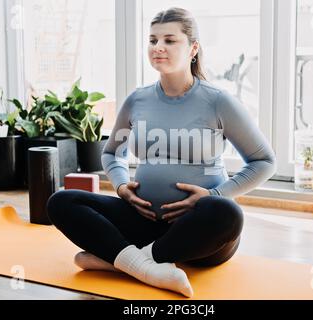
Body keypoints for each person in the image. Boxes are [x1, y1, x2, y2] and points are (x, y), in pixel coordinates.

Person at [47, 7, 276, 298]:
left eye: (170, 40)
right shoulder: (137, 100)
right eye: (153, 40)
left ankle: (122, 260)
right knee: (61, 202)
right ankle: (147, 264)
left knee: (228, 212)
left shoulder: (217, 102)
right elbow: (111, 153)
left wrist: (213, 195)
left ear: (193, 48)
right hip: (143, 221)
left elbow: (264, 161)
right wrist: (121, 187)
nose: (158, 47)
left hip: (199, 235)